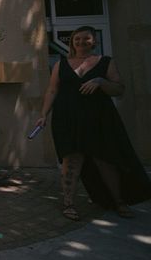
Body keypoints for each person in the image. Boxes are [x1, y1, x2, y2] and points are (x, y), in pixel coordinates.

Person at [35, 26, 151, 221]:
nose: (81, 42)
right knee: (70, 161)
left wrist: (100, 81)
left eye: (86, 38)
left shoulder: (105, 62)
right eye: (77, 39)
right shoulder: (61, 65)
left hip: (99, 119)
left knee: (105, 160)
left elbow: (119, 89)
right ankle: (69, 204)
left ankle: (119, 201)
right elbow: (52, 90)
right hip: (67, 118)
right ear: (72, 42)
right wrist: (43, 114)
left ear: (94, 41)